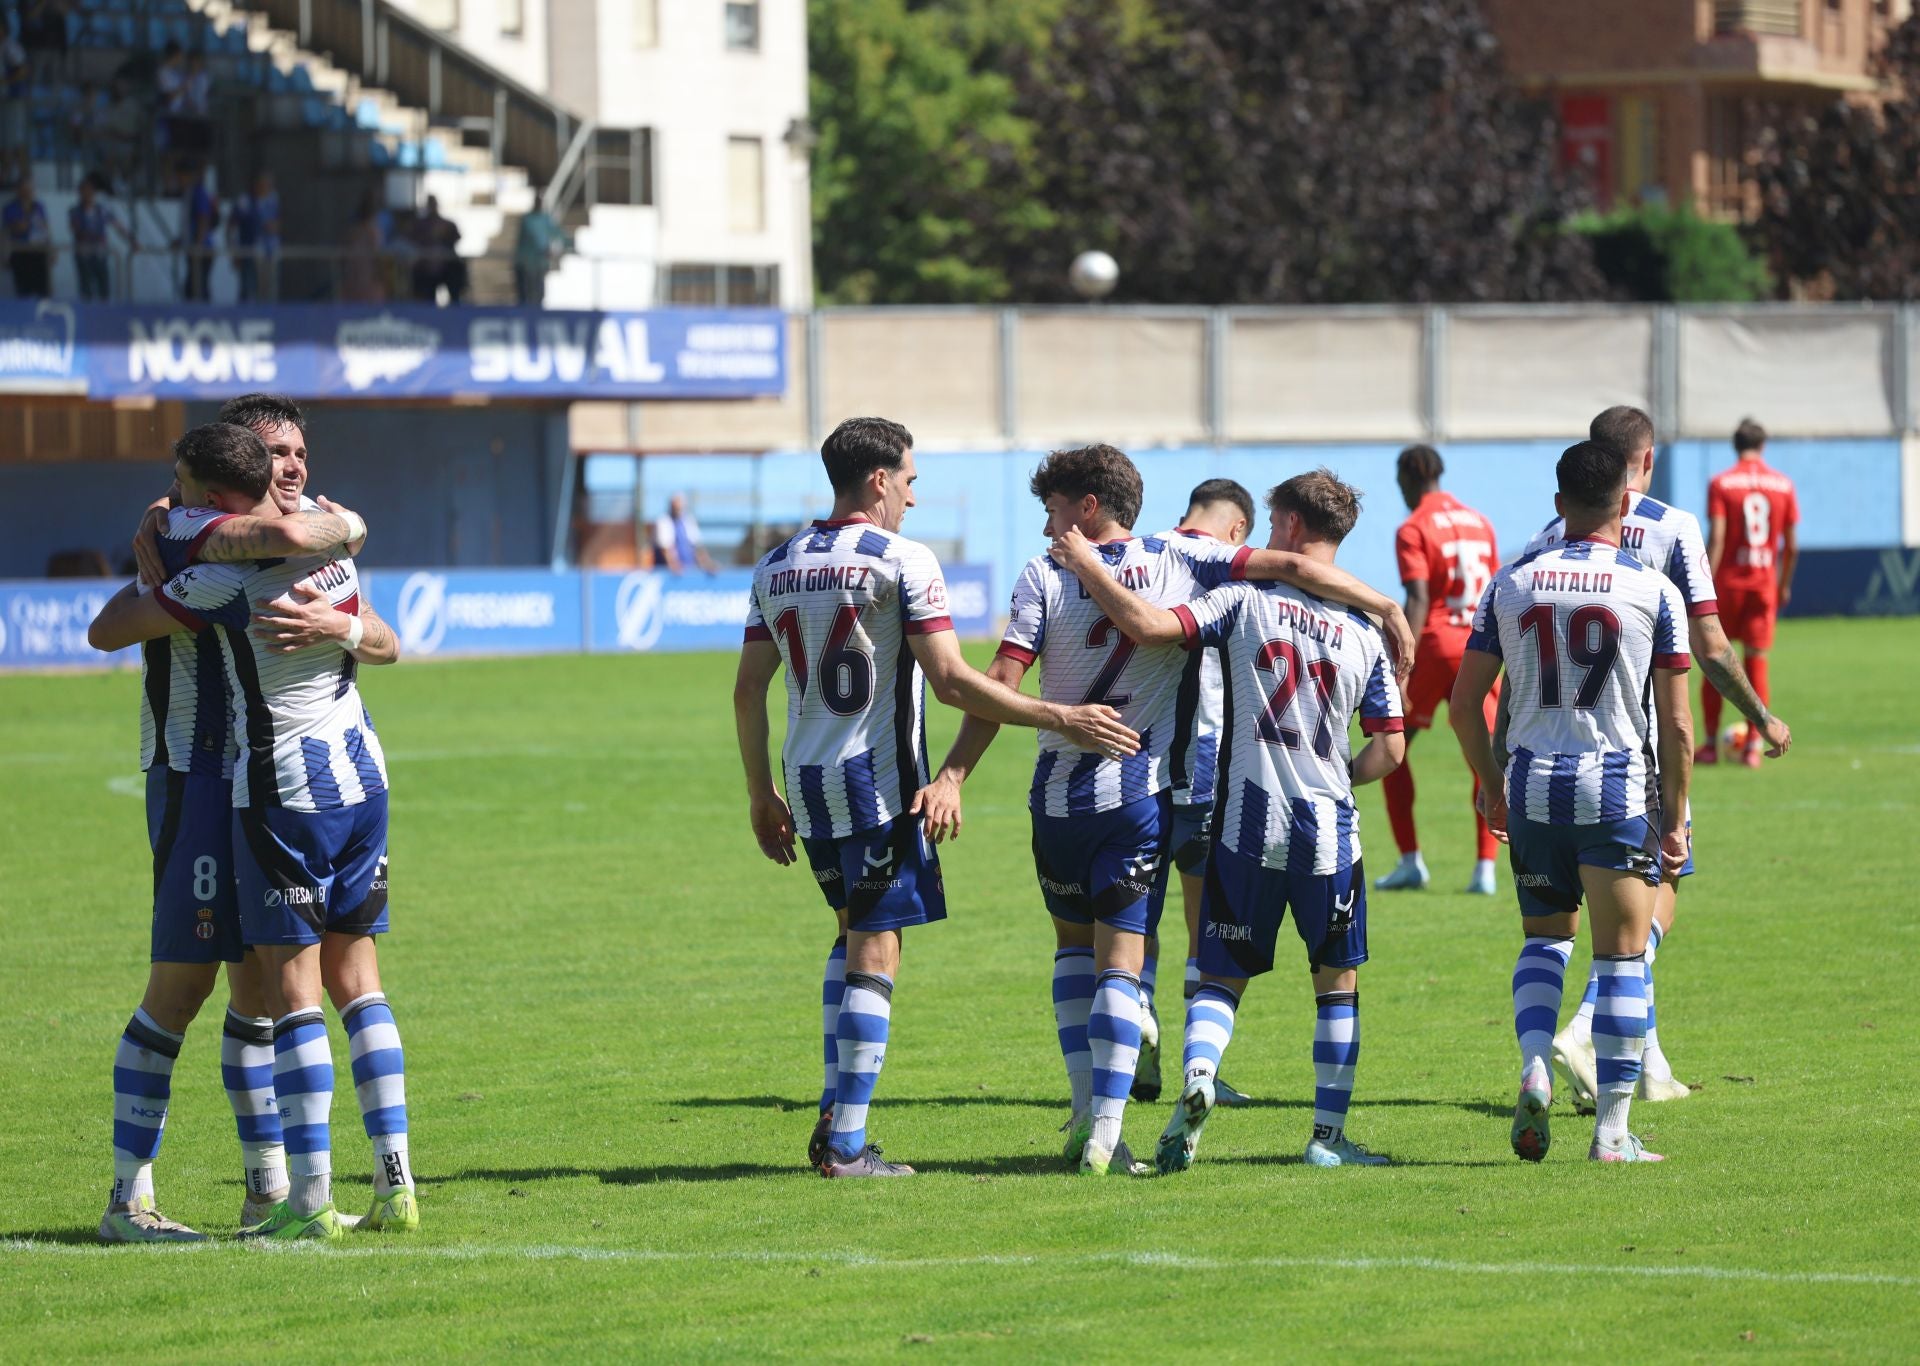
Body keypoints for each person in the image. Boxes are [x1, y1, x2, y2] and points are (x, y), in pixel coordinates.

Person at [922, 445, 1414, 1177]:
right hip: (1150, 795)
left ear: (1088, 507)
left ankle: (1090, 1109)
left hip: (1057, 795)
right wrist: (1384, 604)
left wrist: (954, 773)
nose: (1049, 528)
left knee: (1077, 950)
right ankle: (1110, 1134)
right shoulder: (1186, 559)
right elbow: (1298, 577)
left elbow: (997, 681)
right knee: (1136, 964)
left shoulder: (1047, 572)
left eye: (1054, 511)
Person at [732, 417, 1142, 1179]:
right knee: (877, 947)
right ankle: (846, 1144)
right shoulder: (903, 559)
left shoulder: (776, 563)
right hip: (877, 783)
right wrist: (1060, 717)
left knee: (851, 934)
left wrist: (760, 791)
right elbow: (952, 681)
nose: (914, 497)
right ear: (879, 480)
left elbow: (747, 689)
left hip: (807, 781)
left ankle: (835, 1113)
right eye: (910, 480)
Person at [91, 424, 414, 1240]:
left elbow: (383, 636)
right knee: (187, 985)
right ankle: (131, 1199)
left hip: (268, 778)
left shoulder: (288, 535)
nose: (293, 465)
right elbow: (112, 623)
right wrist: (169, 516)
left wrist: (344, 618)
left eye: (301, 451)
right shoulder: (198, 539)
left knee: (262, 991)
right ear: (242, 468)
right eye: (276, 453)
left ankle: (271, 1194)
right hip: (196, 773)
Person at [1054, 471, 1407, 1173]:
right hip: (1329, 830)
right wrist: (1340, 773)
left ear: (1292, 526)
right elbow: (1391, 750)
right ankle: (1328, 1138)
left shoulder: (1242, 598)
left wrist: (1088, 565)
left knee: (1219, 978)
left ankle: (1198, 1077)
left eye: (1274, 523)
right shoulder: (1365, 634)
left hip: (1244, 820)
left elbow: (1158, 628)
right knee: (1336, 984)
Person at [1520, 406, 1791, 1108]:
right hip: (1637, 747)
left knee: (1573, 917)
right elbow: (1711, 646)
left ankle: (1648, 1063)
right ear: (1645, 460)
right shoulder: (1673, 526)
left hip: (1549, 748)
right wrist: (1760, 715)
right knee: (1660, 888)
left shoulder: (1552, 533)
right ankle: (1587, 1026)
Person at [1452, 439, 1694, 1164]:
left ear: (1558, 504)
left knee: (1544, 940)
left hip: (1532, 788)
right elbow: (1678, 725)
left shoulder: (1511, 583)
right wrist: (1676, 818)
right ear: (1625, 502)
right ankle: (1612, 1133)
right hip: (1614, 790)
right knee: (1621, 959)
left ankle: (1535, 1061)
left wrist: (1492, 787)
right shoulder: (1653, 589)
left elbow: (1465, 707)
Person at [1141, 477, 1257, 1107]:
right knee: (1204, 923)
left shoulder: (1141, 553)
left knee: (1133, 915)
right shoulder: (1226, 566)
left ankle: (1138, 1011)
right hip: (1205, 768)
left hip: (1135, 766)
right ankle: (1199, 1066)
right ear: (1237, 529)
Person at [1376, 444, 1503, 895]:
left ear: (1407, 479)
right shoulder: (1480, 522)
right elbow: (1495, 589)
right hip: (1480, 648)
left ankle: (1410, 860)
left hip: (1433, 645)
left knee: (1391, 747)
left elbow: (1417, 598)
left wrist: (1402, 667)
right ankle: (1485, 868)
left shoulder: (1414, 526)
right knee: (1483, 756)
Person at [1703, 418, 1798, 768]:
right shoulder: (1783, 485)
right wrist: (1783, 584)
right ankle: (1754, 748)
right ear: (1763, 445)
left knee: (1715, 660)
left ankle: (1710, 745)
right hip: (1762, 584)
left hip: (1727, 584)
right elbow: (1791, 546)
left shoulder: (1721, 483)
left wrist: (1704, 583)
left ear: (1735, 445)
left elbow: (1718, 538)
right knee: (1756, 660)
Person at [70, 177, 130, 301]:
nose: (88, 194)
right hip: (84, 254)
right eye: (84, 191)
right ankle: (87, 309)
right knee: (86, 289)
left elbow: (117, 225)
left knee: (104, 288)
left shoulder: (101, 210)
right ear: (80, 193)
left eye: (90, 191)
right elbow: (75, 229)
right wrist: (94, 235)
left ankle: (104, 310)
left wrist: (131, 240)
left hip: (99, 254)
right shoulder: (75, 211)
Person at [227, 171, 281, 302]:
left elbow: (278, 222)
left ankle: (269, 311)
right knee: (249, 290)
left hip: (270, 251)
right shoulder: (245, 201)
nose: (266, 188)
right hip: (250, 252)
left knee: (270, 291)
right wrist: (234, 252)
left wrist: (275, 226)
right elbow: (231, 226)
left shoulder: (273, 199)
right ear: (256, 185)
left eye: (269, 185)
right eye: (263, 185)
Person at [513, 194, 566, 307]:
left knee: (539, 292)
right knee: (526, 293)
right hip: (525, 262)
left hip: (539, 263)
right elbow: (534, 237)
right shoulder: (528, 219)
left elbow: (558, 234)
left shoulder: (545, 219)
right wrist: (545, 248)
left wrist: (556, 247)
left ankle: (537, 310)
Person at [4, 174, 52, 297]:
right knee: (23, 291)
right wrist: (28, 219)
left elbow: (45, 229)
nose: (28, 193)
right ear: (19, 190)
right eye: (25, 189)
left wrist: (51, 250)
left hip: (39, 251)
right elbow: (14, 229)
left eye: (30, 189)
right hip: (20, 252)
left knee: (43, 290)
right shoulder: (10, 208)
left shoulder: (39, 206)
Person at [653, 494, 717, 574]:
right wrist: (674, 565)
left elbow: (698, 547)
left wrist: (707, 564)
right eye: (675, 508)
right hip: (668, 572)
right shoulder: (663, 521)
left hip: (688, 569)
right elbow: (665, 549)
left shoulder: (688, 521)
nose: (678, 510)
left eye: (680, 508)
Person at [180, 169, 218, 302]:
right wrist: (181, 240)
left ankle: (203, 312)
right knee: (191, 288)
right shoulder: (189, 194)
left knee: (198, 287)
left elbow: (203, 218)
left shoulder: (198, 192)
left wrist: (198, 245)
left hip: (202, 250)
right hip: (194, 247)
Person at [0, 22, 27, 189]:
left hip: (12, 99)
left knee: (15, 140)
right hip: (2, 100)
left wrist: (5, 81)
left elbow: (23, 70)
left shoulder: (10, 47)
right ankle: (5, 176)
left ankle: (24, 178)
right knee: (3, 141)